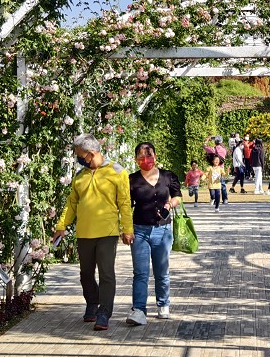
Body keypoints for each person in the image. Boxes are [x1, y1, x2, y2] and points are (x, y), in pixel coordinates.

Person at [51, 133, 133, 331]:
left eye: (80, 155)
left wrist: (127, 229)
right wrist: (61, 225)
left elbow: (124, 202)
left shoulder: (117, 172)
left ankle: (104, 313)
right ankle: (92, 303)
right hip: (84, 232)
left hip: (107, 231)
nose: (79, 159)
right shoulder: (80, 176)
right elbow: (72, 203)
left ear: (91, 153)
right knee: (85, 273)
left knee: (106, 274)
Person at [126, 142, 181, 325]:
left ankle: (163, 303)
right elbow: (127, 206)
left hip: (162, 230)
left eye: (149, 156)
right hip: (139, 230)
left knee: (161, 270)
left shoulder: (168, 176)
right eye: (141, 158)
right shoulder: (131, 180)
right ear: (136, 160)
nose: (146, 160)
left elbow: (177, 196)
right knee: (140, 273)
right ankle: (139, 310)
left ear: (155, 157)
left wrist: (169, 205)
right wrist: (126, 229)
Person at [203, 136, 228, 204]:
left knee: (213, 184)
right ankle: (225, 199)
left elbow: (204, 146)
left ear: (215, 142)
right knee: (222, 184)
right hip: (221, 168)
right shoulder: (224, 149)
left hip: (214, 169)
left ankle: (214, 199)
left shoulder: (213, 149)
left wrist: (207, 139)